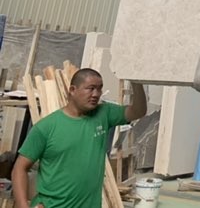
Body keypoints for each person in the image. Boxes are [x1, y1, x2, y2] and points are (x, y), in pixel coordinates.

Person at [11, 68, 147, 208]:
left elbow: (138, 111)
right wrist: (22, 204)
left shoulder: (104, 114)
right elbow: (20, 168)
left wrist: (135, 79)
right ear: (72, 90)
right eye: (90, 88)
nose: (96, 94)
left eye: (99, 89)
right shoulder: (46, 127)